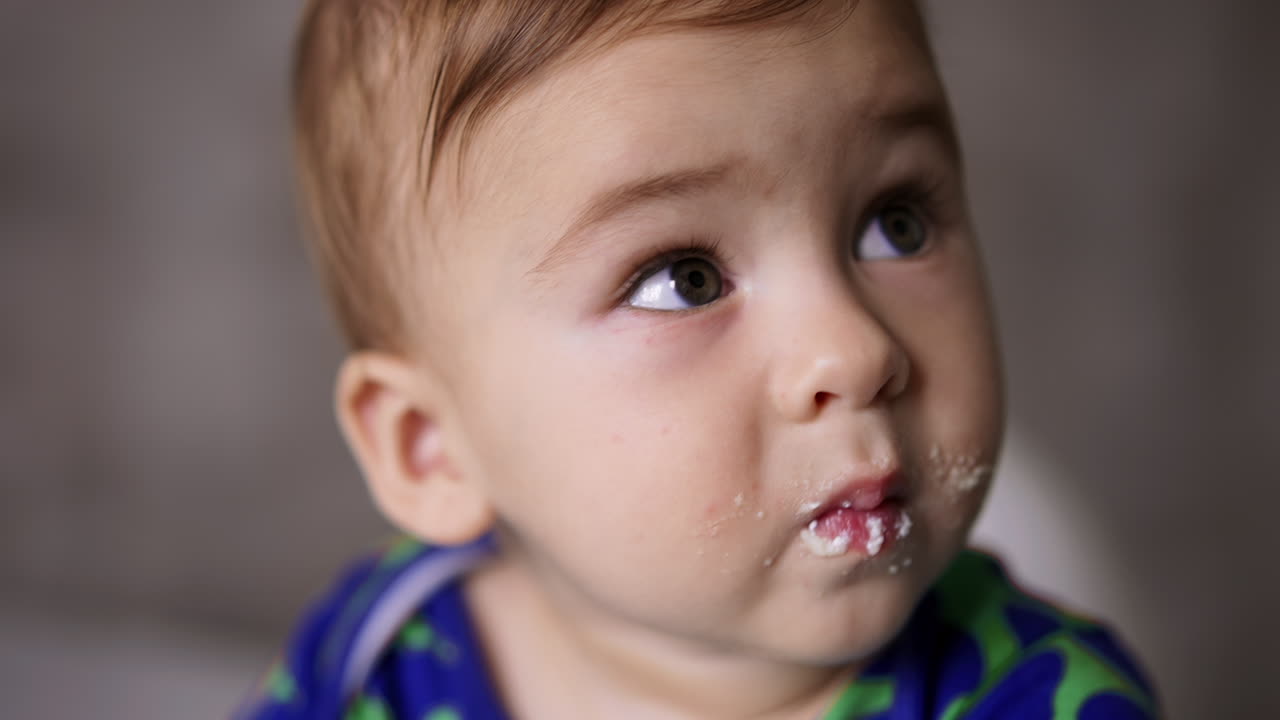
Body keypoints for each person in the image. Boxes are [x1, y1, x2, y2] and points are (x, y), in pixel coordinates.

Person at [240, 0, 1158, 717]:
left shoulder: (1040, 701)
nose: (855, 349)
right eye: (683, 279)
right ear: (433, 446)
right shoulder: (376, 654)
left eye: (895, 223)